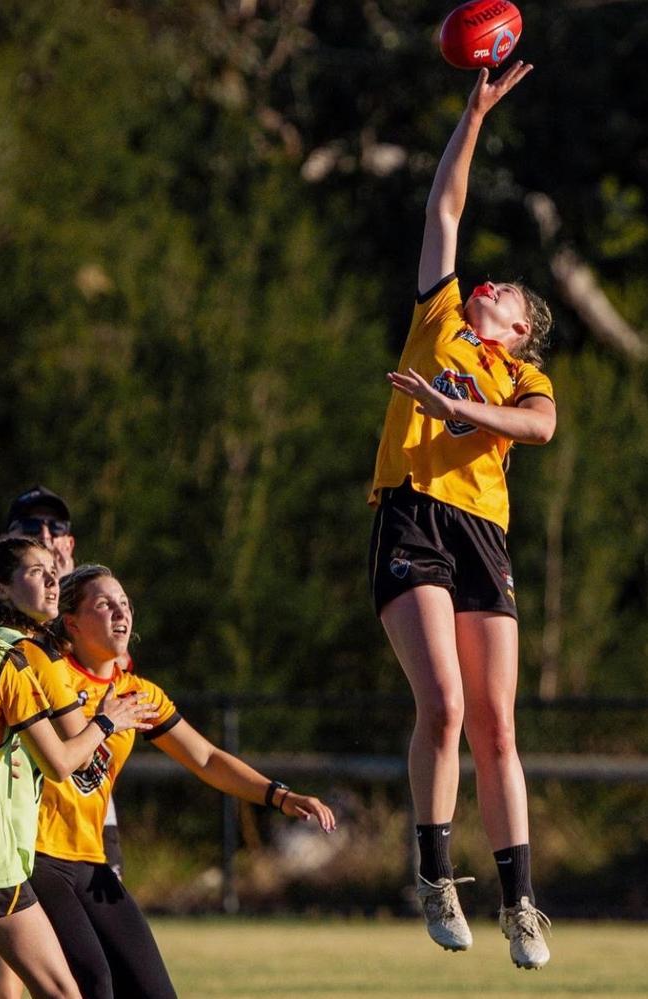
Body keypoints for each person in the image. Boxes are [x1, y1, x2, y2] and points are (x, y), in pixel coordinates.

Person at [368, 63, 555, 970]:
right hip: (412, 515)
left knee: (497, 725)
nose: (494, 287)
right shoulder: (439, 314)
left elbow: (541, 426)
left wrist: (461, 413)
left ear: (521, 332)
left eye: (512, 298)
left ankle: (521, 902)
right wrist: (472, 114)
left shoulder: (520, 376)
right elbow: (445, 207)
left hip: (483, 534)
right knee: (440, 705)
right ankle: (436, 873)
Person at [27, 562, 336, 999]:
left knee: (155, 991)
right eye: (104, 604)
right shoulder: (45, 671)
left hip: (89, 859)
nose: (120, 612)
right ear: (72, 623)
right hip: (36, 856)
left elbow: (206, 758)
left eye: (125, 603)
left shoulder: (138, 693)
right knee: (95, 983)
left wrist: (280, 796)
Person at [0, 537, 155, 998]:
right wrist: (109, 720)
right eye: (35, 571)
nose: (52, 580)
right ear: (2, 589)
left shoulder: (23, 651)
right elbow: (64, 762)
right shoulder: (16, 661)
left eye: (54, 570)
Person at [2, 484, 124, 880]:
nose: (45, 535)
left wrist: (68, 591)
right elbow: (65, 760)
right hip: (31, 828)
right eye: (32, 526)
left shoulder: (64, 623)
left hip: (82, 813)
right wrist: (104, 723)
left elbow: (108, 660)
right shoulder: (22, 651)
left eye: (55, 527)